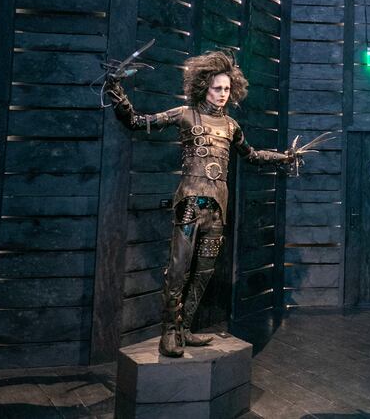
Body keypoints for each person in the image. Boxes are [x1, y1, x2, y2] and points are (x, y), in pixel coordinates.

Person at [105, 50, 300, 357]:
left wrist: (283, 158)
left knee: (203, 272)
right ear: (203, 86)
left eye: (226, 89)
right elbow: (137, 121)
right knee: (178, 269)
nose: (222, 94)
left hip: (217, 210)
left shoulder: (231, 126)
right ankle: (169, 333)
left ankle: (184, 328)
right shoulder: (185, 114)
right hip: (190, 204)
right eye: (216, 88)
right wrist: (117, 91)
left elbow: (251, 155)